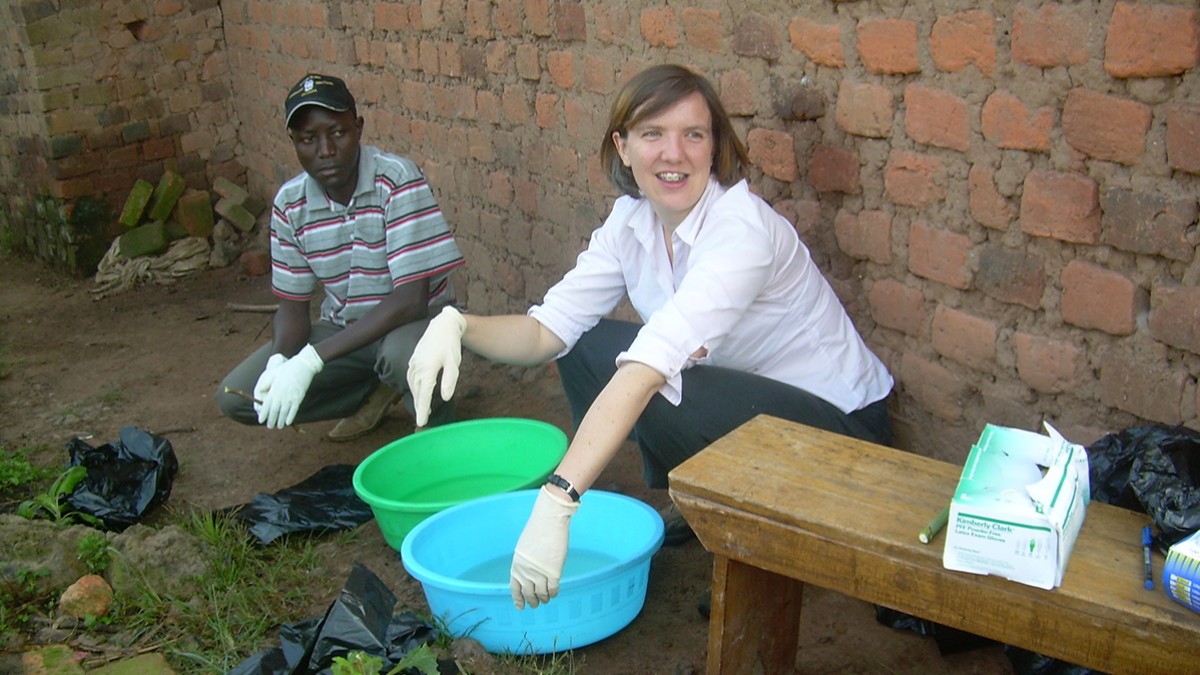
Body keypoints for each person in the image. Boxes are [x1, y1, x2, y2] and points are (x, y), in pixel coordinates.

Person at [406, 64, 893, 610]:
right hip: (750, 402)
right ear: (623, 146)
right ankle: (704, 496)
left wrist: (556, 503)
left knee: (651, 386)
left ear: (714, 148)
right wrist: (457, 324)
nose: (673, 153)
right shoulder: (630, 222)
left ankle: (766, 549)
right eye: (652, 134)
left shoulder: (740, 231)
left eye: (693, 134)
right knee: (585, 347)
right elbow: (547, 331)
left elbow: (645, 371)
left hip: (844, 433)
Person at [216, 73, 464, 440]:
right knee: (238, 396)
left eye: (337, 132)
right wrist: (281, 361)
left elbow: (411, 300)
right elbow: (293, 307)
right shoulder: (290, 204)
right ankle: (373, 392)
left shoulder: (395, 179)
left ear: (358, 128)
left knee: (401, 356)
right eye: (307, 139)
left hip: (415, 326)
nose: (326, 151)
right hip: (346, 332)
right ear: (294, 143)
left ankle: (440, 431)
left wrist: (313, 360)